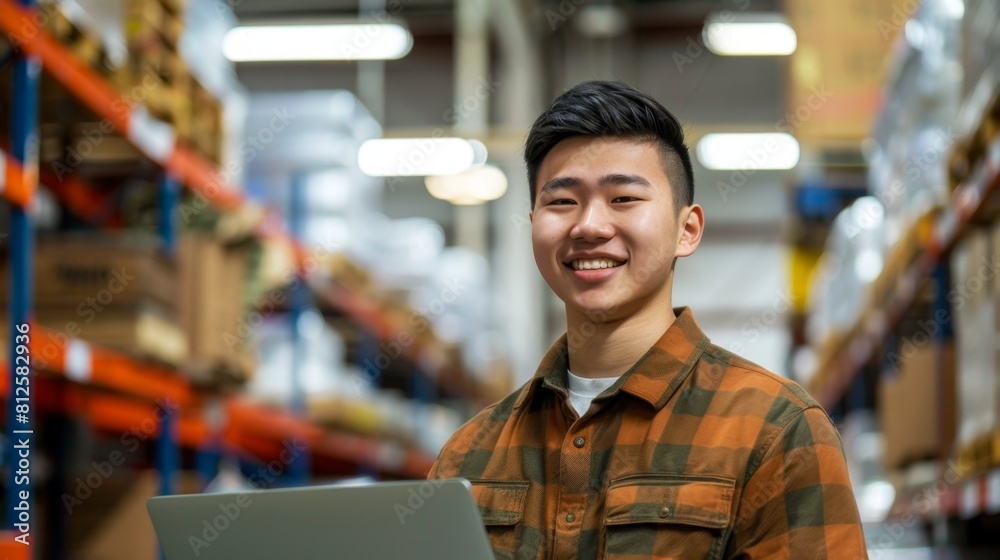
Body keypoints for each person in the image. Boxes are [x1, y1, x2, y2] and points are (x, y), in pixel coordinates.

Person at [428, 81, 867, 560]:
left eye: (624, 199)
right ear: (532, 221)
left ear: (687, 229)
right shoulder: (466, 456)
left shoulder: (777, 432)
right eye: (561, 202)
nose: (590, 226)